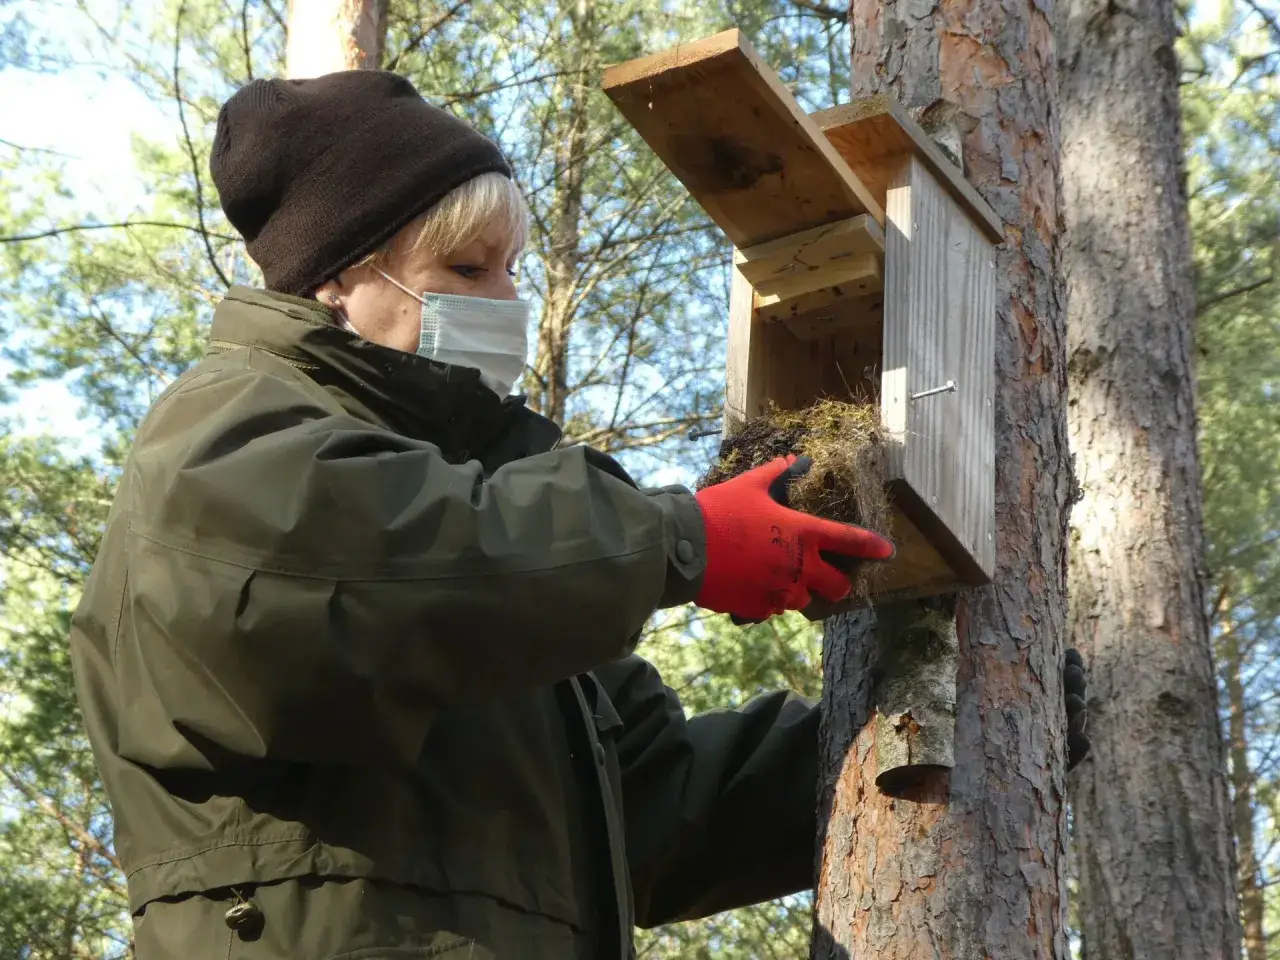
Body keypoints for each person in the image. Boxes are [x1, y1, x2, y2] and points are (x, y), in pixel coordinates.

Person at [69, 70, 1089, 960]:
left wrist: (963, 723)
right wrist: (679, 542)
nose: (506, 299)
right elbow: (385, 568)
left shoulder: (485, 524)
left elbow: (648, 809)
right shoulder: (224, 439)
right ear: (336, 280)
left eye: (509, 267)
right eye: (466, 271)